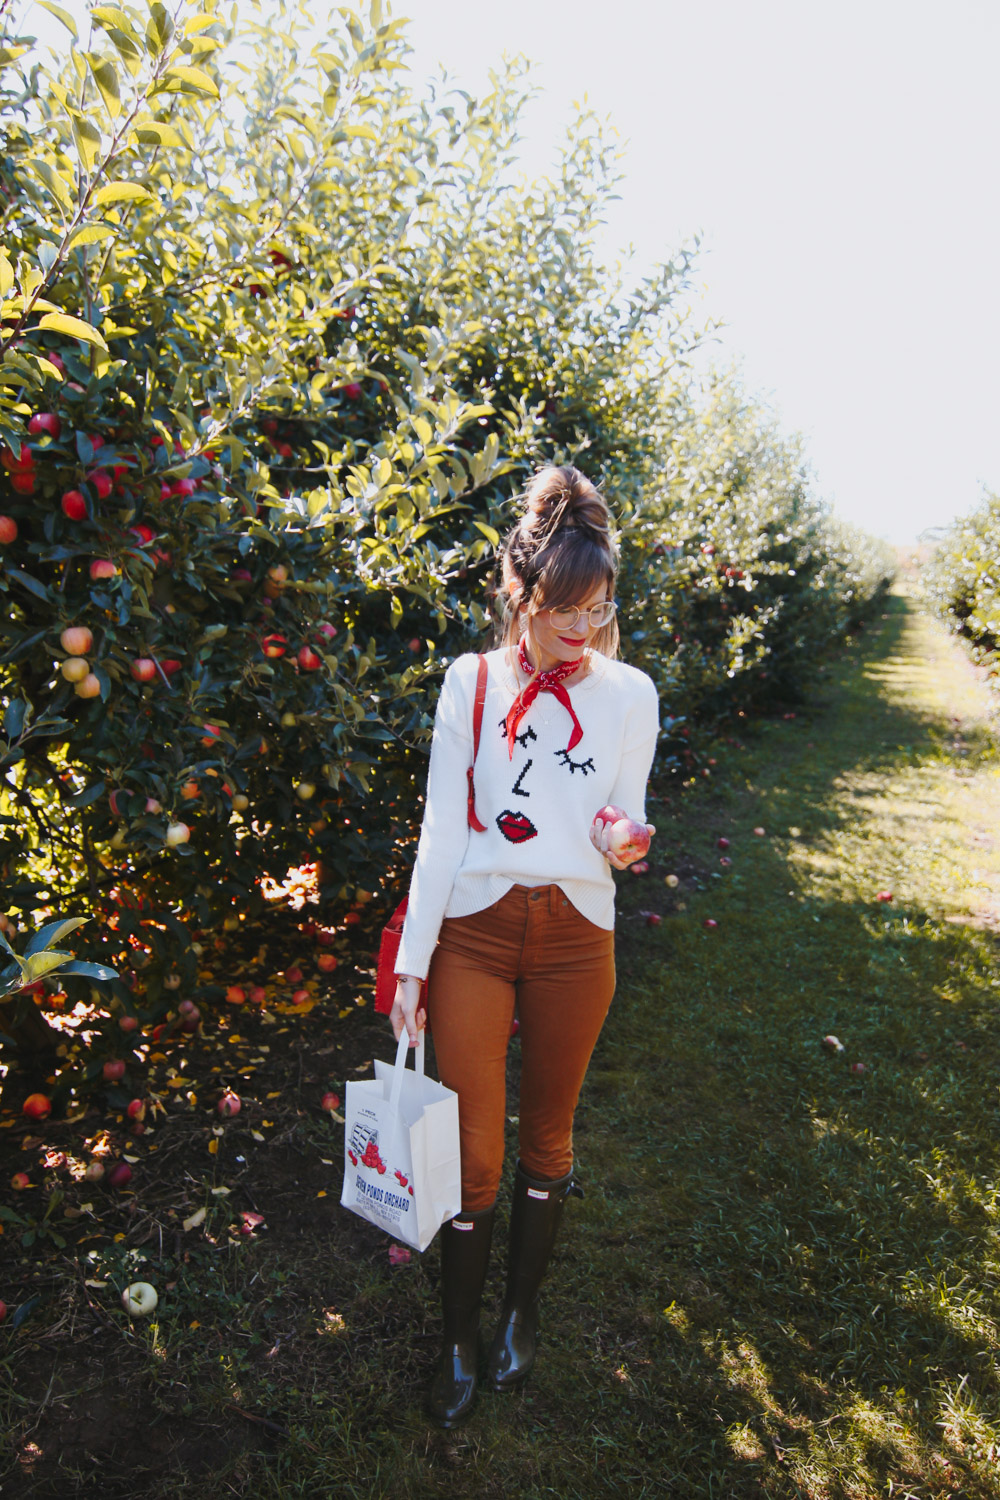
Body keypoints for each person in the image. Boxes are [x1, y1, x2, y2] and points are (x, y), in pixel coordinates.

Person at [390, 464, 659, 1428]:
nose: (581, 627)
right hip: (475, 931)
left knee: (549, 1136)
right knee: (473, 1154)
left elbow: (618, 815)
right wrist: (415, 961)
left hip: (577, 936)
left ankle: (521, 1314)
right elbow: (439, 830)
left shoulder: (632, 695)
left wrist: (622, 840)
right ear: (521, 594)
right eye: (563, 608)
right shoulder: (469, 683)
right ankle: (458, 1335)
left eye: (598, 606)